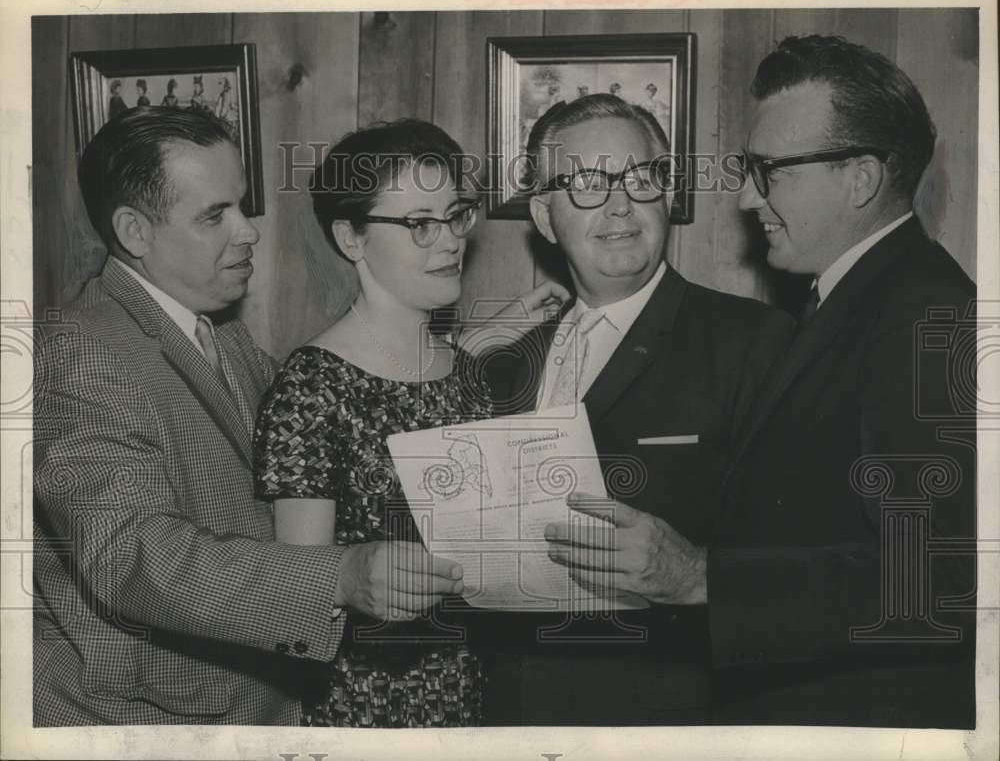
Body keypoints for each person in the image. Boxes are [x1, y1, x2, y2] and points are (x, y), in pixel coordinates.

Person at [545, 36, 977, 728]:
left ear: (860, 179)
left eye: (768, 170)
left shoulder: (925, 317)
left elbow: (942, 581)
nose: (746, 197)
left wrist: (698, 576)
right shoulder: (859, 301)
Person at [32, 107, 467, 725]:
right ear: (134, 232)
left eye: (242, 204)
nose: (248, 232)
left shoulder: (217, 331)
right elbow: (137, 555)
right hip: (143, 719)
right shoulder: (78, 352)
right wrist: (337, 576)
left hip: (243, 703)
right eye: (215, 215)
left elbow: (344, 406)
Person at [482, 93, 796, 725]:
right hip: (511, 711)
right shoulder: (505, 360)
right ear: (545, 217)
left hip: (672, 716)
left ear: (667, 197)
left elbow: (803, 563)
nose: (620, 204)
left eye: (640, 178)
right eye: (589, 184)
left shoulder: (755, 340)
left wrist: (694, 572)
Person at [253, 118, 568, 728]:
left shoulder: (464, 367)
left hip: (475, 689)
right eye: (419, 223)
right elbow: (303, 591)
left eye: (455, 215)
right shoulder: (312, 386)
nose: (448, 240)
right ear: (351, 237)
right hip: (366, 706)